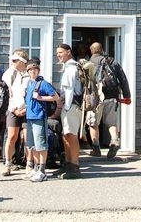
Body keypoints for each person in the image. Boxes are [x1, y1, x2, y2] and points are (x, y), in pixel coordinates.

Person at [86, 42, 131, 160]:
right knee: (111, 123)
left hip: (95, 97)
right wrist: (127, 96)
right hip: (112, 95)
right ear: (102, 50)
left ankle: (96, 148)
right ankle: (115, 140)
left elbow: (84, 83)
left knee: (93, 123)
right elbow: (123, 79)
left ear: (91, 51)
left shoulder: (89, 63)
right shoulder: (112, 61)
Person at [23, 58, 61, 183]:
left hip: (39, 116)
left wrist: (40, 97)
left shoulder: (42, 83)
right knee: (33, 145)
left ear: (38, 70)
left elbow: (55, 97)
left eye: (35, 69)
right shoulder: (29, 83)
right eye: (30, 70)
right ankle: (36, 168)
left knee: (41, 144)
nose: (33, 71)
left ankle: (42, 171)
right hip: (29, 117)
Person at [1, 50, 30, 176]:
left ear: (22, 62)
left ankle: (29, 164)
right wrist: (14, 109)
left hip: (27, 110)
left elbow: (32, 94)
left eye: (15, 60)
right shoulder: (9, 74)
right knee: (12, 136)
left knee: (28, 138)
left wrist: (26, 108)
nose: (12, 63)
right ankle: (8, 163)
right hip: (13, 108)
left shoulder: (30, 74)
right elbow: (7, 94)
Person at [55, 43, 82, 179]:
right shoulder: (69, 67)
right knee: (66, 134)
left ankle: (74, 166)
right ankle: (68, 164)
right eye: (57, 53)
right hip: (69, 106)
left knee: (71, 135)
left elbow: (69, 90)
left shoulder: (71, 68)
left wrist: (65, 107)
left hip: (71, 105)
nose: (58, 55)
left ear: (69, 52)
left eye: (60, 52)